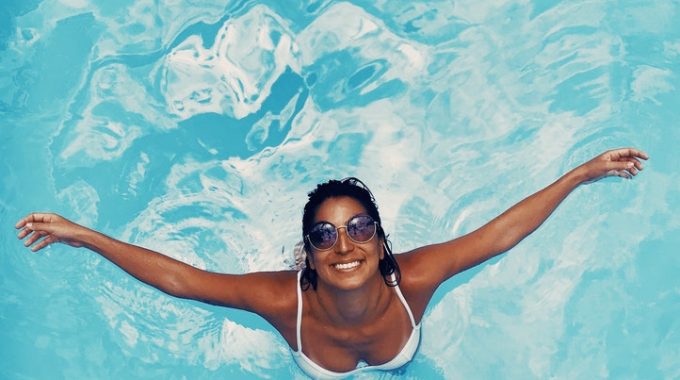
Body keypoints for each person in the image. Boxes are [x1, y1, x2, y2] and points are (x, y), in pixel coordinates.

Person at [16, 148, 648, 379]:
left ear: (379, 241)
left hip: (400, 360)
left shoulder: (416, 280)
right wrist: (83, 236)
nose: (343, 245)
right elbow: (183, 281)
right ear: (308, 254)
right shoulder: (279, 300)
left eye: (358, 228)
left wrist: (582, 175)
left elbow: (499, 236)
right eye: (324, 235)